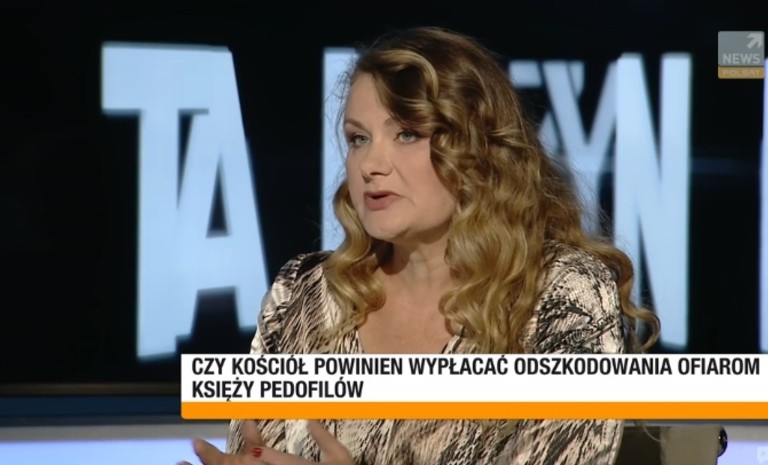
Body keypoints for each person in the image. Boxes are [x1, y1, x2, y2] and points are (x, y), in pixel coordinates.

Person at [183, 26, 660, 465]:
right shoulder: (302, 295)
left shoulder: (563, 295)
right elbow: (252, 450)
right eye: (358, 138)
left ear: (477, 150)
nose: (370, 164)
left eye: (407, 133)